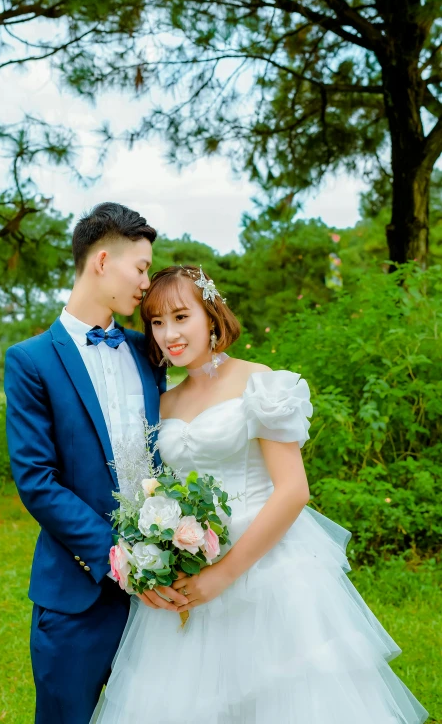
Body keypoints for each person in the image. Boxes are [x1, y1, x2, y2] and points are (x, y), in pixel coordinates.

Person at [93, 264, 428, 724]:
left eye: (180, 317)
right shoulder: (164, 401)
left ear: (210, 316)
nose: (169, 333)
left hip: (268, 569)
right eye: (156, 322)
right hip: (191, 565)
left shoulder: (262, 384)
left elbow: (293, 491)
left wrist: (224, 574)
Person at [4, 203, 188, 724]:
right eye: (142, 267)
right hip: (77, 594)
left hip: (160, 593)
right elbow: (37, 481)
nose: (147, 282)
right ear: (103, 261)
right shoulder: (30, 360)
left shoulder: (148, 350)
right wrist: (118, 555)